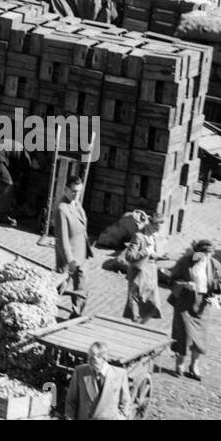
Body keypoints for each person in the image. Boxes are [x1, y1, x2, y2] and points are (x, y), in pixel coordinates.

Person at [168, 239, 221, 380]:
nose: (205, 257)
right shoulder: (185, 262)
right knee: (183, 334)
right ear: (196, 252)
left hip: (203, 305)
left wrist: (217, 294)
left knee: (200, 338)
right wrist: (184, 284)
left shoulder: (215, 265)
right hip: (185, 303)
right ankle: (180, 363)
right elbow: (172, 279)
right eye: (202, 254)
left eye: (208, 254)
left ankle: (194, 366)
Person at [64, 342, 133, 421]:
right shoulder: (80, 371)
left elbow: (125, 401)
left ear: (104, 358)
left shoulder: (120, 374)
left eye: (93, 358)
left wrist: (121, 417)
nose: (89, 361)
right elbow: (71, 400)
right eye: (89, 357)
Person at [53, 179, 92, 317]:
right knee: (61, 286)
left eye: (79, 192)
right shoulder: (62, 209)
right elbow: (62, 239)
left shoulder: (76, 204)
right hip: (69, 257)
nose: (76, 195)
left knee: (82, 287)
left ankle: (76, 315)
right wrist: (70, 261)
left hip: (81, 253)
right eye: (74, 191)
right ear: (66, 190)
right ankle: (45, 306)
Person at [122, 218, 164, 323]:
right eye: (156, 227)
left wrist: (156, 255)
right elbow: (129, 256)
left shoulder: (154, 236)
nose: (157, 230)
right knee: (136, 299)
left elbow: (154, 252)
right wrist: (145, 251)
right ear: (150, 225)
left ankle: (142, 321)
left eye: (159, 228)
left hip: (151, 273)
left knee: (153, 302)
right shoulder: (138, 237)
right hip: (138, 273)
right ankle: (135, 323)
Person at [0, 137, 31, 227]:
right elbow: (21, 183)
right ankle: (1, 214)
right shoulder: (26, 160)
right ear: (35, 161)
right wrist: (19, 201)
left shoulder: (21, 153)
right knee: (8, 185)